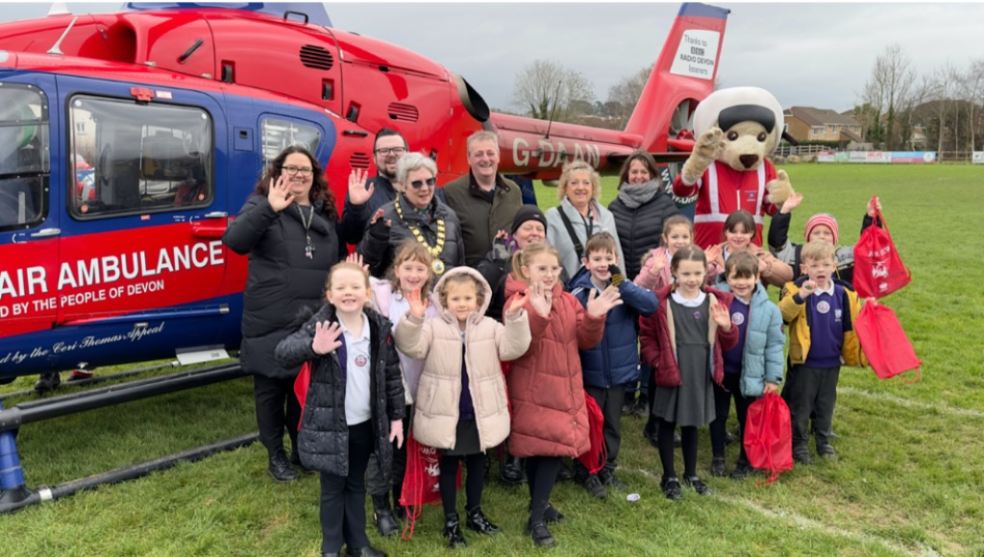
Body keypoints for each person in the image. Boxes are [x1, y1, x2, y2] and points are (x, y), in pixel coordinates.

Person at [222, 145, 371, 482]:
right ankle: (275, 456)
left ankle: (300, 451)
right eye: (292, 168)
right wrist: (271, 210)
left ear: (314, 177)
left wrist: (358, 208)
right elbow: (236, 240)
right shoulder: (261, 205)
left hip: (311, 318)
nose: (299, 175)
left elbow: (349, 237)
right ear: (278, 172)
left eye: (306, 170)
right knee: (271, 392)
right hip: (269, 318)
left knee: (302, 392)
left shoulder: (324, 212)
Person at [274, 261, 404, 557]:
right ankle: (331, 549)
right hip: (331, 426)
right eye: (341, 288)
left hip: (364, 425)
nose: (349, 293)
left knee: (356, 485)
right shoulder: (321, 325)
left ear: (367, 293)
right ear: (330, 295)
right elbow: (283, 353)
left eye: (355, 287)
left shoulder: (378, 326)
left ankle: (358, 545)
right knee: (333, 489)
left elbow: (391, 374)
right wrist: (313, 348)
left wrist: (396, 417)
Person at [395, 267, 531, 548]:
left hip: (479, 411)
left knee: (478, 464)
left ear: (479, 300)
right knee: (449, 464)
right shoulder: (433, 327)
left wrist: (516, 318)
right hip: (448, 411)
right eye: (455, 299)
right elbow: (411, 347)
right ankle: (450, 520)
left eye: (468, 298)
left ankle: (474, 512)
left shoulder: (491, 327)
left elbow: (512, 348)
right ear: (444, 300)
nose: (462, 304)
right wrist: (415, 318)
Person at [503, 241, 622, 547]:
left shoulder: (569, 301)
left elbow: (584, 340)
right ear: (526, 270)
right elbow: (521, 344)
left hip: (564, 387)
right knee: (544, 448)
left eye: (553, 269)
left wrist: (594, 318)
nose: (548, 274)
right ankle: (537, 520)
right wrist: (538, 315)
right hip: (534, 386)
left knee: (550, 447)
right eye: (541, 268)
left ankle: (539, 505)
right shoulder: (518, 301)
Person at [639, 246, 738, 500]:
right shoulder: (662, 303)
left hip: (699, 371)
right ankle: (669, 476)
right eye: (686, 273)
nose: (692, 279)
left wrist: (727, 327)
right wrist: (657, 360)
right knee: (667, 421)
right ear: (674, 273)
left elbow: (728, 342)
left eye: (697, 273)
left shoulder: (714, 302)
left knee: (692, 422)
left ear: (706, 272)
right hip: (671, 368)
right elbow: (647, 336)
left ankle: (691, 474)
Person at [569, 233, 657, 498]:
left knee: (612, 423)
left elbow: (651, 305)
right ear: (586, 262)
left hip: (618, 372)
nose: (603, 263)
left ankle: (607, 466)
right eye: (597, 258)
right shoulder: (579, 291)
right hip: (590, 372)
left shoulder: (625, 289)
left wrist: (621, 283)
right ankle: (587, 470)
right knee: (591, 423)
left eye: (608, 258)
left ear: (616, 260)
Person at [365, 241, 439, 537]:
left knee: (402, 449)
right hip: (388, 387)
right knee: (382, 449)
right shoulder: (384, 295)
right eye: (407, 267)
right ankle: (380, 507)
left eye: (420, 268)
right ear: (397, 270)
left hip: (417, 386)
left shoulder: (433, 303)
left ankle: (399, 497)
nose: (413, 274)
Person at [473, 204, 548, 486]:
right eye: (527, 227)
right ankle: (508, 457)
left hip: (542, 341)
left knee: (535, 400)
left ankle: (532, 455)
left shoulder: (549, 259)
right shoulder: (502, 255)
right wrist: (496, 256)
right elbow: (480, 287)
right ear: (516, 232)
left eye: (539, 228)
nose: (534, 233)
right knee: (509, 400)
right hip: (505, 340)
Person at [779, 241, 867, 464]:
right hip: (806, 362)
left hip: (831, 361)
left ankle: (823, 440)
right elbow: (783, 315)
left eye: (825, 264)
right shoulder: (795, 290)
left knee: (826, 403)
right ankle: (798, 444)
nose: (820, 269)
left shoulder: (842, 293)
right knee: (802, 405)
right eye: (814, 265)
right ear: (804, 268)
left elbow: (852, 323)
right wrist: (801, 296)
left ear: (834, 266)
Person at [710, 251, 785, 479]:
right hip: (723, 373)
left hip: (751, 374)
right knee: (718, 415)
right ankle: (718, 457)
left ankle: (745, 460)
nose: (741, 282)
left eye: (747, 277)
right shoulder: (719, 302)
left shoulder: (770, 310)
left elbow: (774, 345)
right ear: (727, 278)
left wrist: (772, 378)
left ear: (757, 277)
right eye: (735, 277)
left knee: (747, 419)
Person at [358, 152, 464, 279]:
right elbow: (366, 268)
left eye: (430, 181)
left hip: (444, 296)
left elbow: (460, 267)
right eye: (417, 183)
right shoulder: (385, 216)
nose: (425, 188)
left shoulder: (449, 216)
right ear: (402, 185)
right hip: (401, 297)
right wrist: (376, 238)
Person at [442, 130, 524, 266]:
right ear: (469, 159)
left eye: (490, 153)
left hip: (508, 273)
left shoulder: (513, 190)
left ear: (498, 157)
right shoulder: (451, 192)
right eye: (478, 154)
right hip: (469, 275)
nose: (485, 159)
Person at [768, 193, 883, 285]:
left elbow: (869, 247)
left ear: (835, 238)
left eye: (827, 233)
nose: (821, 236)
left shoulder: (845, 257)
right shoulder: (797, 254)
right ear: (808, 237)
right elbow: (777, 244)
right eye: (816, 233)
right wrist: (784, 211)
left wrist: (871, 217)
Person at [607, 151, 681, 280]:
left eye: (644, 172)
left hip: (654, 279)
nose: (639, 176)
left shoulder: (665, 205)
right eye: (634, 172)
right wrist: (616, 281)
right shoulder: (615, 207)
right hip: (620, 280)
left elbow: (677, 244)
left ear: (652, 175)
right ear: (627, 175)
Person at [545, 161, 624, 280]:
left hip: (604, 291)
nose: (580, 187)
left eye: (586, 183)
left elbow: (618, 259)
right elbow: (546, 259)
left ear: (593, 187)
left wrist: (620, 288)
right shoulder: (552, 218)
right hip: (570, 293)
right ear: (565, 187)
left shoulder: (606, 217)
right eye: (574, 183)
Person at [705, 210, 792, 289]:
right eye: (734, 232)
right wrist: (703, 263)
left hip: (751, 304)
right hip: (719, 304)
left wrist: (766, 268)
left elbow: (788, 276)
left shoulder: (758, 254)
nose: (738, 236)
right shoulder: (714, 253)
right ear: (726, 232)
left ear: (752, 233)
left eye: (744, 232)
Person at [345, 128, 407, 218]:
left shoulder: (425, 186)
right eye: (384, 151)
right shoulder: (363, 189)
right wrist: (356, 208)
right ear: (374, 158)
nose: (392, 154)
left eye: (397, 149)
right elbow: (347, 232)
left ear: (407, 154)